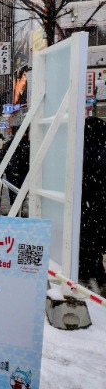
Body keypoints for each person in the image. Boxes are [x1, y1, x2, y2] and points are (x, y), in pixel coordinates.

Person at [78, 117, 106, 292]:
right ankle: (97, 277)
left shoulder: (82, 152)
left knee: (87, 243)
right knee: (95, 243)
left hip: (85, 207)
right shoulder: (101, 150)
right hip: (98, 207)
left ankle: (89, 278)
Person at [5, 126, 30, 211]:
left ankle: (18, 207)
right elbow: (2, 156)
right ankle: (14, 207)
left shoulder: (27, 144)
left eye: (25, 132)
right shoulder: (9, 144)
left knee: (22, 191)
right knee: (12, 190)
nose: (23, 134)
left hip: (23, 171)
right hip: (11, 171)